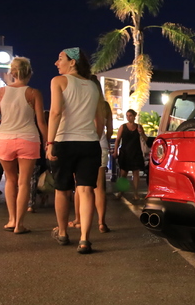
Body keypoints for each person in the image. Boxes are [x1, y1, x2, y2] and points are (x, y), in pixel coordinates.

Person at [47, 47, 103, 254]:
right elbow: (100, 119)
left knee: (62, 189)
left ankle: (62, 233)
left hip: (64, 141)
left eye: (60, 58)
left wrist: (49, 143)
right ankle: (85, 240)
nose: (56, 62)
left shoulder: (58, 81)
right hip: (89, 143)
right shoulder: (93, 86)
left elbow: (55, 112)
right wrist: (94, 137)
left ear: (72, 62)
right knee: (86, 190)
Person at [0, 56, 48, 234]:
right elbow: (41, 122)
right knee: (24, 182)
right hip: (28, 139)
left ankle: (11, 220)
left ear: (13, 73)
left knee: (10, 180)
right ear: (29, 73)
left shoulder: (0, 92)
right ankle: (19, 225)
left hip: (4, 140)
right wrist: (48, 142)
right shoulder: (34, 93)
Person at [69, 93, 113, 233]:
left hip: (83, 143)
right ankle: (101, 222)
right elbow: (110, 130)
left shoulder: (82, 101)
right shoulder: (105, 106)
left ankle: (78, 219)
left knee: (80, 185)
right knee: (100, 187)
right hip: (102, 144)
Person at [113, 108, 147, 200]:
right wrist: (115, 151)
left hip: (136, 152)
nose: (128, 117)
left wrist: (141, 133)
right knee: (123, 174)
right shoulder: (123, 127)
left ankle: (135, 193)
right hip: (125, 152)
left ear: (134, 116)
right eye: (127, 116)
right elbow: (117, 139)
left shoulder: (139, 127)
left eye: (130, 115)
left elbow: (145, 139)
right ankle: (121, 192)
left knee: (136, 173)